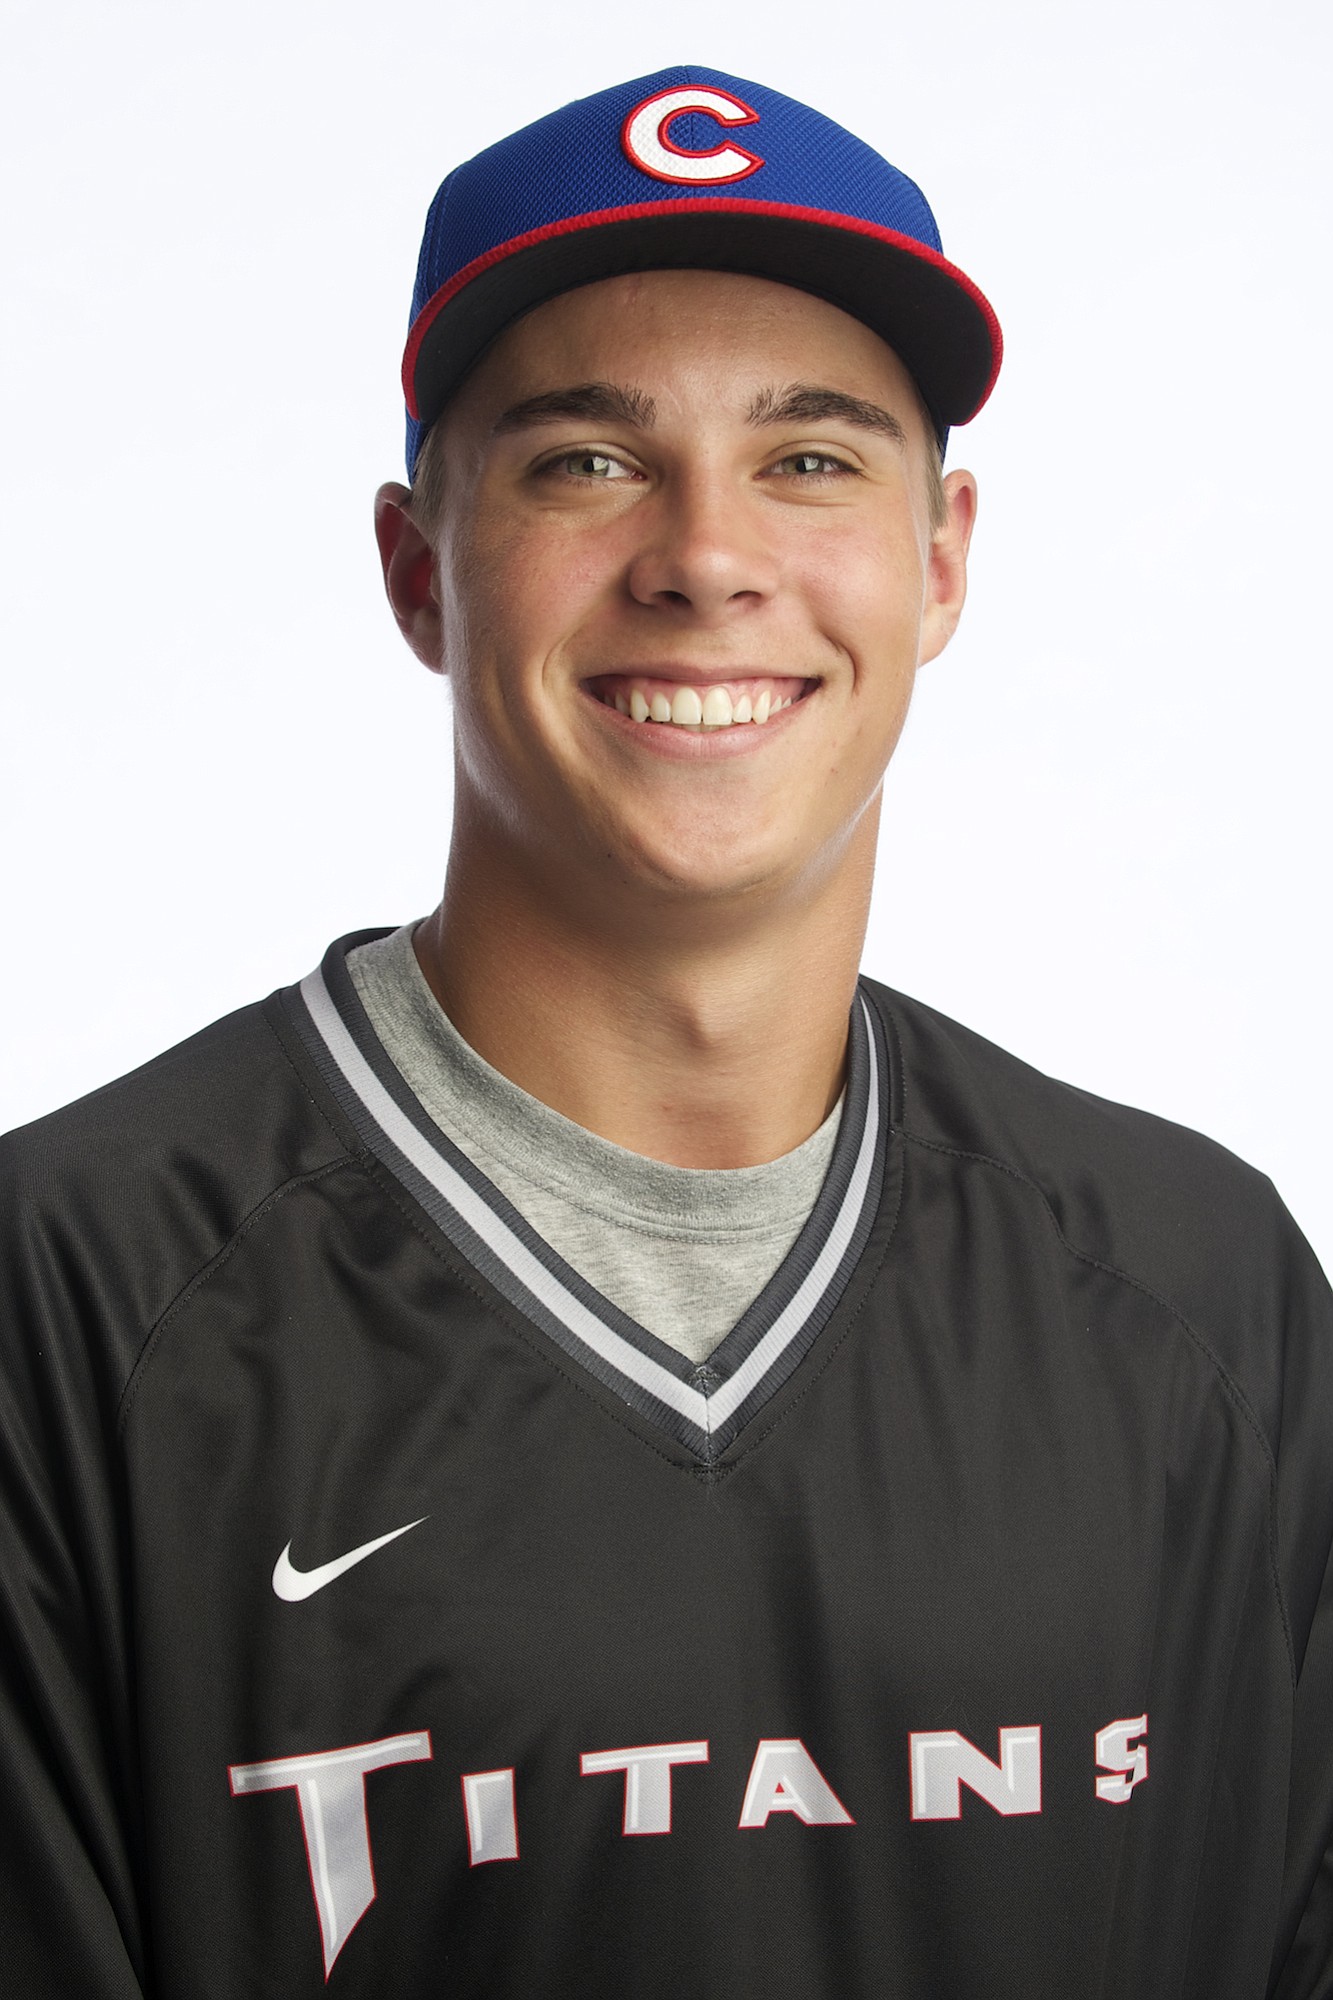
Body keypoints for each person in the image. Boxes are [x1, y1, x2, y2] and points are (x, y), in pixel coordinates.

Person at [1, 63, 1329, 2000]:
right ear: (412, 565)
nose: (706, 554)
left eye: (809, 459)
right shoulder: (73, 1302)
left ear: (940, 554)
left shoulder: (1198, 1295)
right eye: (584, 460)